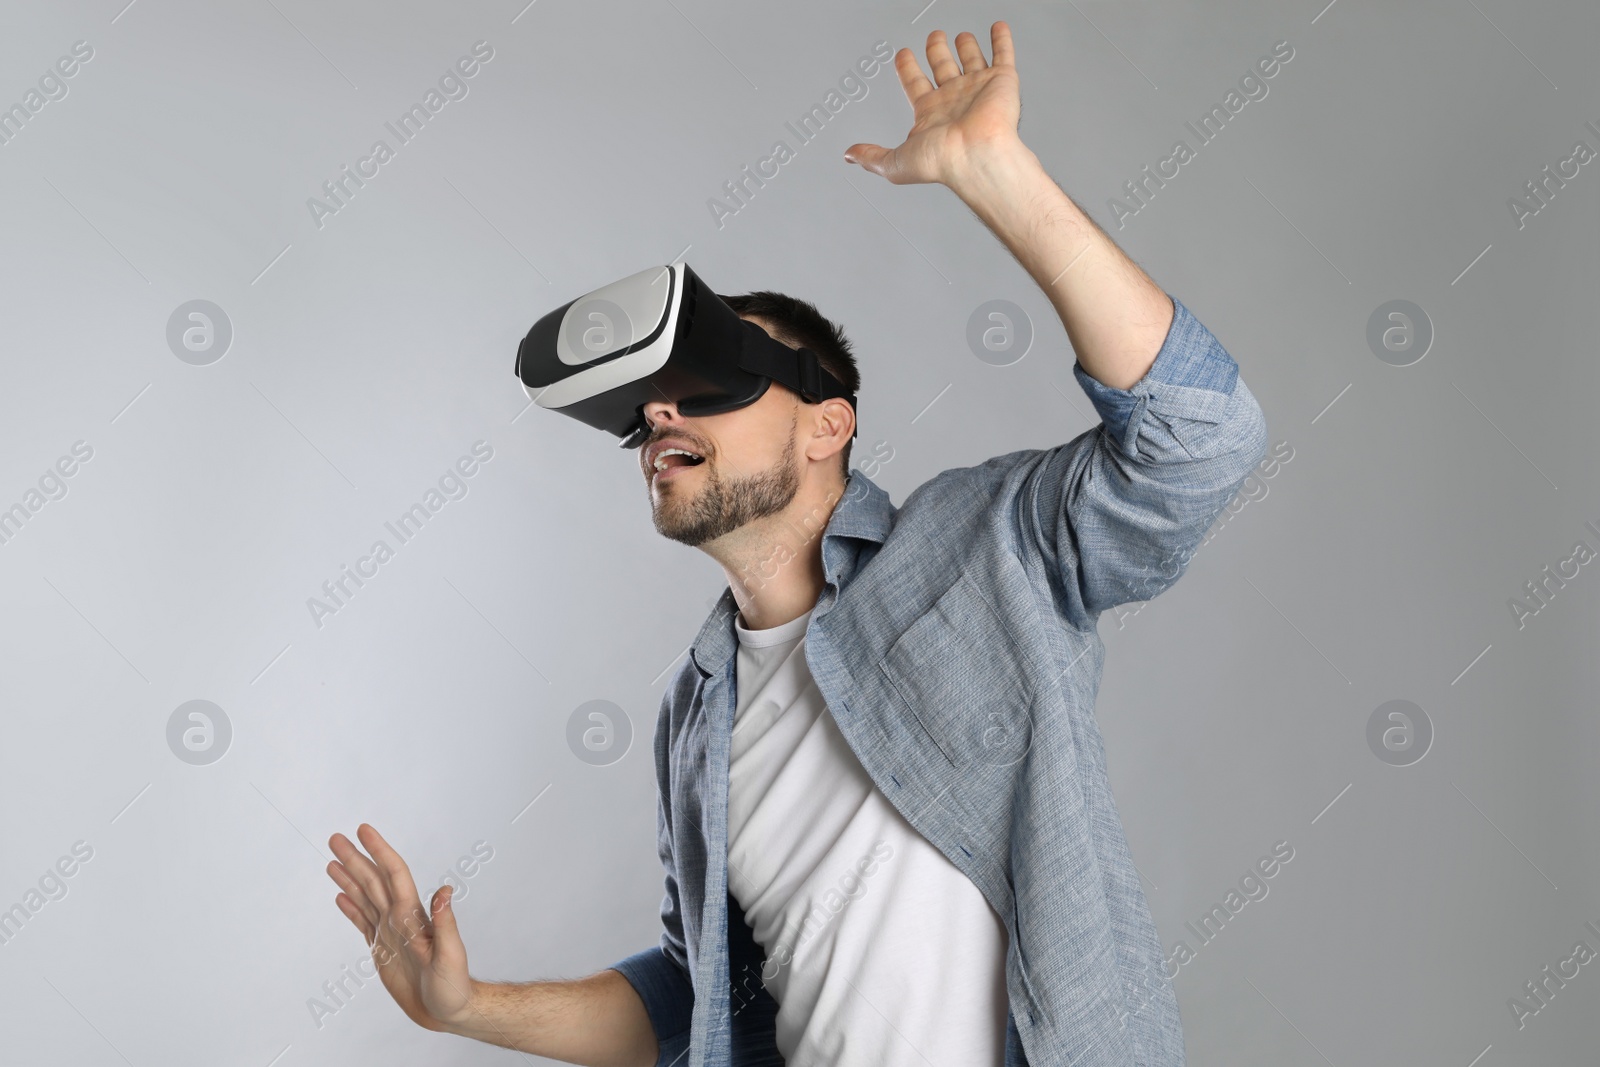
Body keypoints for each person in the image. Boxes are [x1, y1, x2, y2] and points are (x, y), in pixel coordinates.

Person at [326, 20, 1267, 1067]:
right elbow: (702, 995)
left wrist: (995, 174)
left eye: (711, 381)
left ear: (829, 423)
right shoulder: (695, 714)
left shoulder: (983, 549)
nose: (661, 419)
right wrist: (463, 1006)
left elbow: (1198, 440)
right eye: (644, 410)